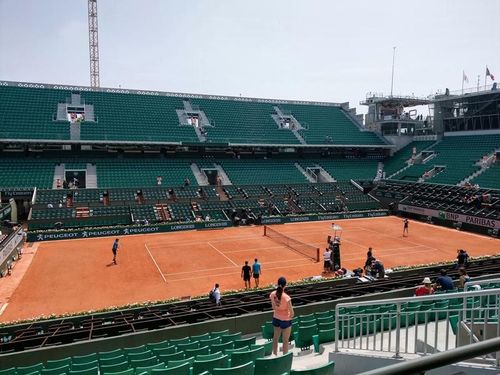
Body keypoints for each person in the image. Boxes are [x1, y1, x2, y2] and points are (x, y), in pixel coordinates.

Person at [270, 277, 294, 356]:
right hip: (285, 320)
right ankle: (284, 357)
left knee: (275, 338)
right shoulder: (286, 297)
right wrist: (289, 317)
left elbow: (273, 307)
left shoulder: (272, 294)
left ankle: (274, 355)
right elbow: (292, 312)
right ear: (285, 285)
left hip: (276, 318)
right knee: (285, 341)